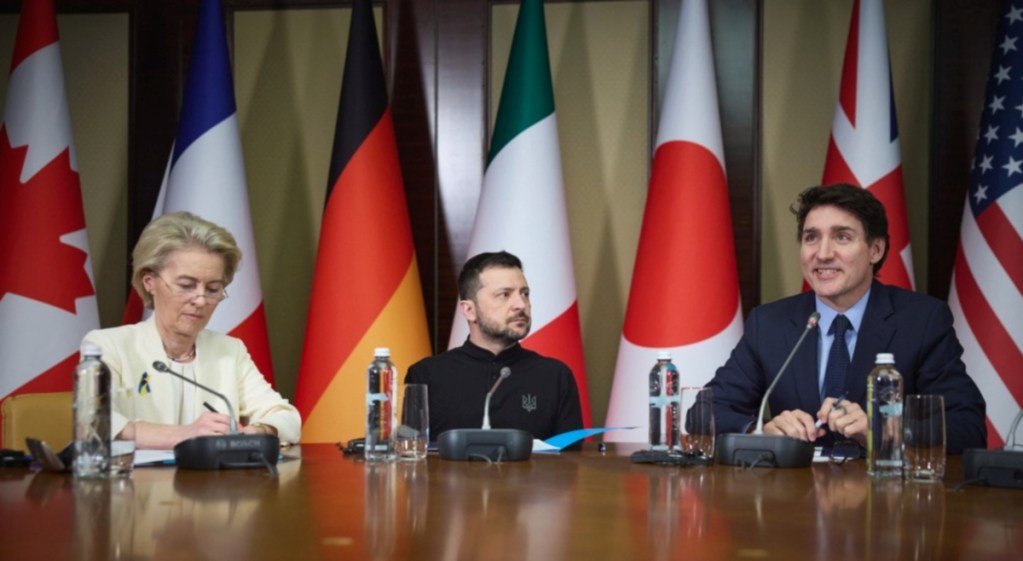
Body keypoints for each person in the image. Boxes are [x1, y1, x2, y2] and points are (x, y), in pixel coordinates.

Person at [707, 184, 986, 454]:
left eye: (842, 237)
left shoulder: (922, 321)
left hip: (885, 497)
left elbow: (968, 426)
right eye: (811, 237)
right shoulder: (769, 323)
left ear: (875, 250)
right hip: (793, 496)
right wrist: (761, 431)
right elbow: (707, 410)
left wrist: (883, 431)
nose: (823, 254)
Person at [83, 212, 300, 449]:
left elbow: (286, 418)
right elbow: (93, 421)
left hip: (213, 484)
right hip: (136, 484)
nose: (200, 300)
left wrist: (256, 431)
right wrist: (186, 434)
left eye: (213, 288)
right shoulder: (108, 345)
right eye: (186, 286)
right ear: (149, 282)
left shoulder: (229, 351)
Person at [406, 251, 583, 441]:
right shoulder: (425, 376)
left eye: (525, 294)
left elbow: (571, 461)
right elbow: (409, 460)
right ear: (469, 310)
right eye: (504, 294)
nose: (521, 304)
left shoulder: (555, 376)